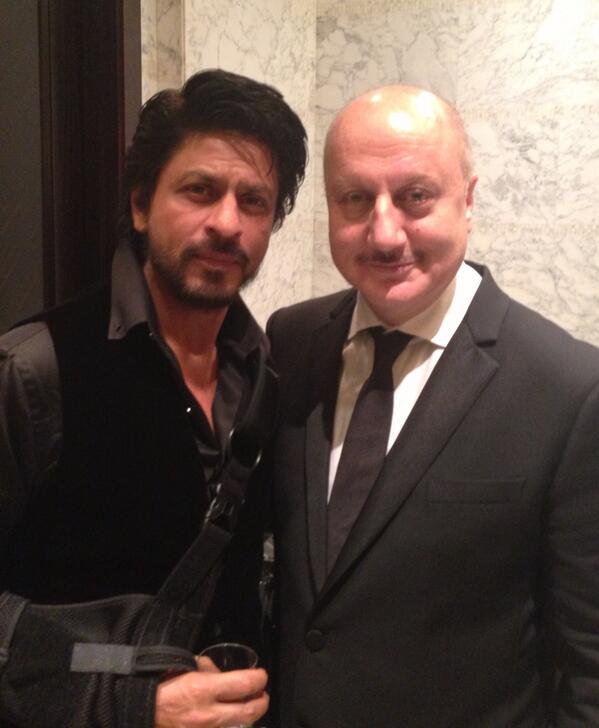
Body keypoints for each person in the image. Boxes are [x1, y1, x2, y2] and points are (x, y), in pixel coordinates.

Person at [265, 84, 599, 727]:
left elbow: (591, 665)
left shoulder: (569, 389)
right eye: (354, 198)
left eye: (415, 196)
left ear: (468, 200)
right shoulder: (291, 340)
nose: (384, 233)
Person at [0, 69, 307, 727]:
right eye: (200, 190)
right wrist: (132, 703)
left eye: (254, 202)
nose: (227, 223)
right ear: (141, 205)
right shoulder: (36, 370)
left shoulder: (265, 373)